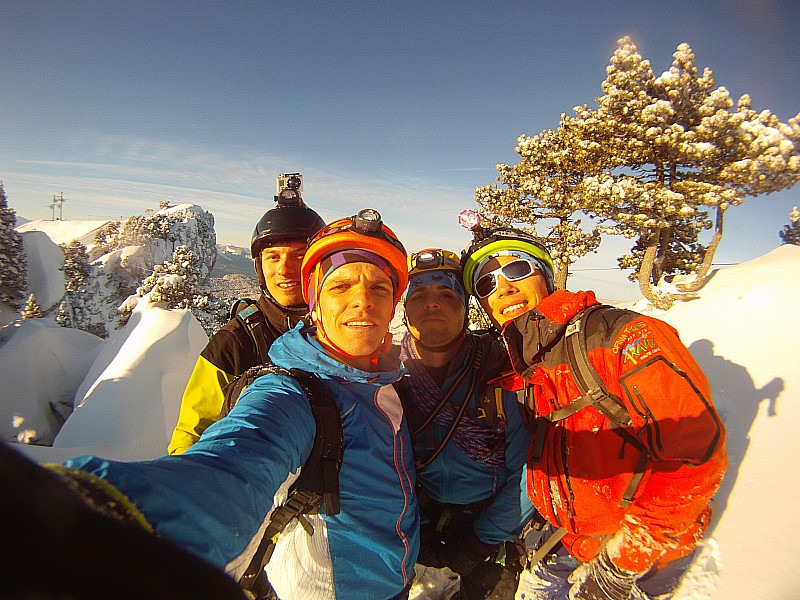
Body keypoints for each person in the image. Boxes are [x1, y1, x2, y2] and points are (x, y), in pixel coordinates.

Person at [4, 209, 418, 600]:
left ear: (393, 302)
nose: (363, 301)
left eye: (379, 287)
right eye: (341, 286)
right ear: (316, 303)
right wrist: (97, 517)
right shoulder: (291, 395)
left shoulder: (387, 384)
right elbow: (231, 464)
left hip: (395, 582)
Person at [458, 218, 728, 600]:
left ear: (546, 278)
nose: (504, 287)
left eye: (516, 269)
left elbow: (695, 458)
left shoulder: (621, 337)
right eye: (487, 284)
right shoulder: (524, 365)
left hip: (640, 558)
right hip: (566, 540)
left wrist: (622, 564)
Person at [396, 248, 535, 600]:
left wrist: (479, 540)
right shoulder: (386, 379)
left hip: (490, 523)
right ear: (405, 307)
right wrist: (419, 527)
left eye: (446, 294)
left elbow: (530, 472)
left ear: (464, 306)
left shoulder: (501, 372)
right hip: (416, 520)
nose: (432, 304)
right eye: (420, 295)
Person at [168, 176, 325, 455]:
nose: (284, 269)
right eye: (273, 257)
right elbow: (192, 434)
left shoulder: (342, 332)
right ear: (259, 266)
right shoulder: (234, 343)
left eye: (299, 256)